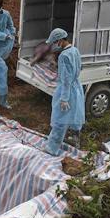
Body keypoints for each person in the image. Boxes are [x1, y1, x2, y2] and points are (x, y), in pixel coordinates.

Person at [44, 28, 85, 156]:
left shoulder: (64, 55)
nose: (54, 45)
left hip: (66, 90)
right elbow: (79, 67)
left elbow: (66, 79)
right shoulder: (75, 50)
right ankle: (75, 139)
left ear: (60, 40)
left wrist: (64, 98)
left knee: (59, 120)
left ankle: (51, 148)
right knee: (74, 115)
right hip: (76, 87)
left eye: (55, 42)